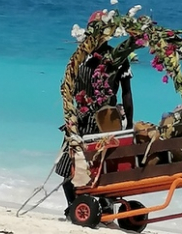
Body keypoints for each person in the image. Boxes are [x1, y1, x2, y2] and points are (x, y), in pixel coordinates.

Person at [56, 40, 133, 211]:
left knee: (78, 170)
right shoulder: (87, 56)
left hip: (98, 122)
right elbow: (126, 93)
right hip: (97, 122)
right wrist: (128, 123)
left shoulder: (83, 56)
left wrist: (129, 125)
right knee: (86, 170)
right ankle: (81, 207)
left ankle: (84, 207)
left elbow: (69, 90)